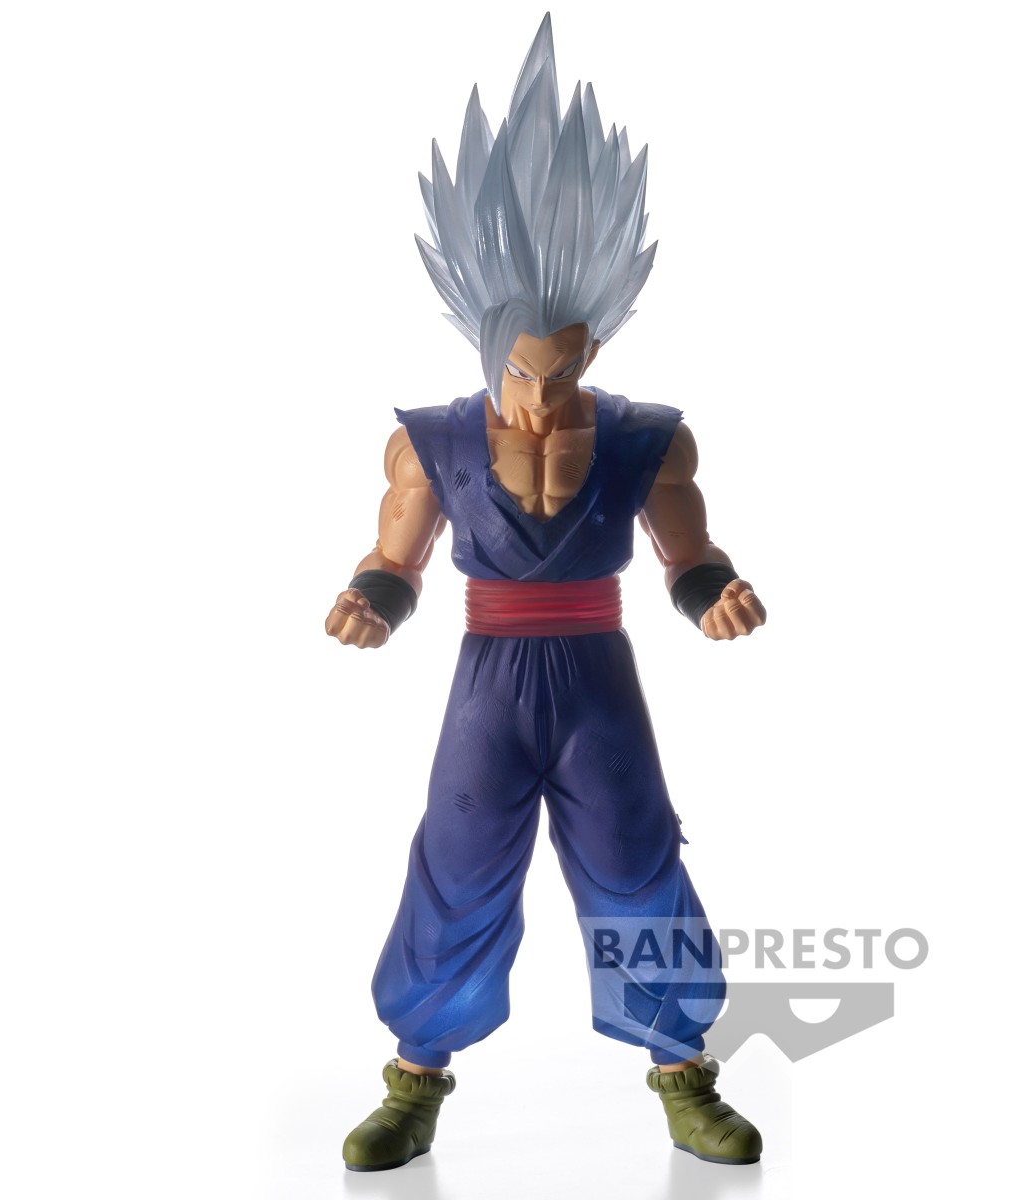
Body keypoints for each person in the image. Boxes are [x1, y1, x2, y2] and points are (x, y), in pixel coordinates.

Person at [325, 14, 766, 1171]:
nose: (538, 391)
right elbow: (395, 558)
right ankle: (416, 1075)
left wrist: (714, 594)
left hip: (596, 674)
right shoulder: (431, 443)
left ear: (594, 346)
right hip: (489, 678)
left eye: (562, 364)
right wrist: (372, 601)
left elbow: (687, 553)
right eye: (520, 367)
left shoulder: (647, 438)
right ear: (484, 343)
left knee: (635, 863)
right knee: (457, 863)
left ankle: (682, 1071)